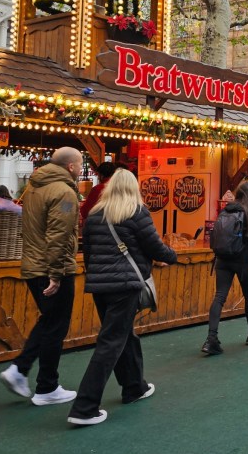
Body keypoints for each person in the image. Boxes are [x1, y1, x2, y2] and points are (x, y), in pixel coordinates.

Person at [68, 169, 177, 425]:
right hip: (125, 285)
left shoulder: (94, 216)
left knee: (123, 335)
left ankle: (134, 386)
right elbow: (155, 246)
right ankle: (84, 407)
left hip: (100, 285)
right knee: (111, 341)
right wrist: (171, 256)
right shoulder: (136, 212)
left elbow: (90, 252)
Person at [0, 148, 83, 406]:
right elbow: (58, 236)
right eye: (80, 165)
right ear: (70, 167)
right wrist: (56, 274)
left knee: (49, 322)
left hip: (33, 265)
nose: (81, 169)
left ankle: (20, 370)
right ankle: (46, 386)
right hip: (53, 268)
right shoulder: (65, 192)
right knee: (56, 326)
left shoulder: (33, 188)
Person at [203, 181, 248, 354]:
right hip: (243, 260)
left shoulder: (225, 211)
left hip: (223, 259)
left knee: (219, 296)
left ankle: (211, 338)